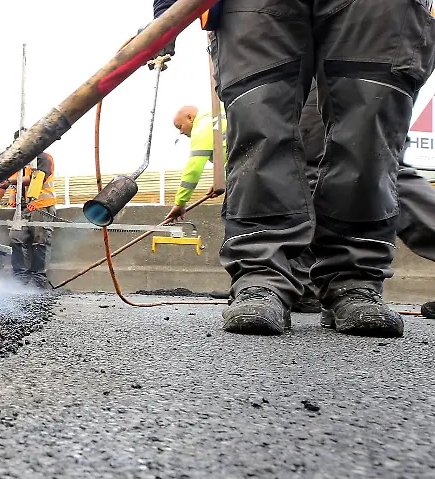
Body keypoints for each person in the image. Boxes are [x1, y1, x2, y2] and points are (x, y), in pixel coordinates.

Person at [151, 0, 435, 337]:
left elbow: (195, 163)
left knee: (369, 122)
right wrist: (166, 11)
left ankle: (354, 278)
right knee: (259, 113)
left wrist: (180, 201)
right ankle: (262, 273)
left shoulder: (198, 124)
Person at [291, 81, 435, 321]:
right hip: (366, 56)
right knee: (367, 162)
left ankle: (312, 281)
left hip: (345, 57)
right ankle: (307, 282)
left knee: (364, 165)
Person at [0, 129, 57, 288]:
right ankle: (20, 277)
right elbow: (2, 181)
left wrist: (10, 181)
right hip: (22, 209)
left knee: (40, 241)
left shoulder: (43, 158)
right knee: (16, 238)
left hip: (41, 206)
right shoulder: (16, 161)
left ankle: (39, 278)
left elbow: (36, 177)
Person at [165, 105, 226, 224]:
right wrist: (222, 180)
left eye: (180, 126)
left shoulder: (203, 127)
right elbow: (234, 153)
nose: (181, 132)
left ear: (190, 117)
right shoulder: (217, 117)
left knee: (232, 216)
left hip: (248, 177)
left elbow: (193, 169)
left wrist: (180, 202)